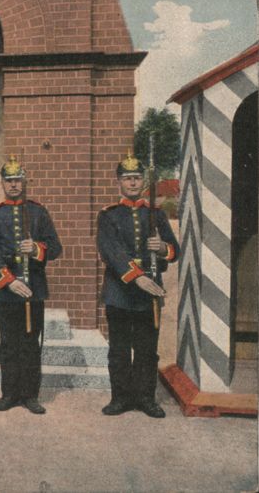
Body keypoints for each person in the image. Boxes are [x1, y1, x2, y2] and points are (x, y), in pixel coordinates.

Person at [97, 152, 179, 418]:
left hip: (149, 296)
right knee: (119, 350)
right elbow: (111, 252)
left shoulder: (155, 214)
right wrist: (138, 276)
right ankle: (120, 398)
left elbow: (175, 251)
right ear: (118, 182)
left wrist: (163, 247)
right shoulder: (108, 215)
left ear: (143, 181)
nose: (132, 183)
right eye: (127, 178)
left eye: (136, 178)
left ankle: (145, 398)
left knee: (146, 350)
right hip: (119, 293)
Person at [0, 156, 62, 415]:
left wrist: (37, 248)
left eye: (17, 180)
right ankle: (9, 394)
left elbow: (56, 247)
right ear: (2, 183)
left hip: (33, 287)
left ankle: (30, 395)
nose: (13, 185)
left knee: (30, 342)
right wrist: (9, 281)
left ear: (24, 182)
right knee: (8, 343)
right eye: (9, 181)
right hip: (5, 289)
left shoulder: (38, 212)